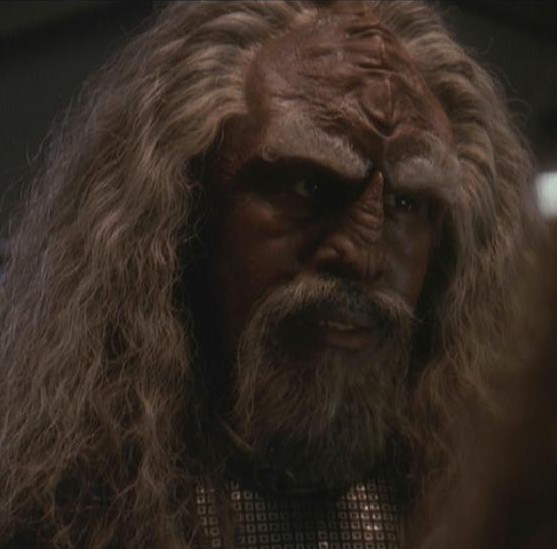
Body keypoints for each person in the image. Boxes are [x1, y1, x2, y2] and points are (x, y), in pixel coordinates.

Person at [0, 1, 542, 547]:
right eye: (309, 187)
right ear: (183, 206)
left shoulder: (493, 512)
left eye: (406, 204)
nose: (362, 256)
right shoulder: (50, 513)